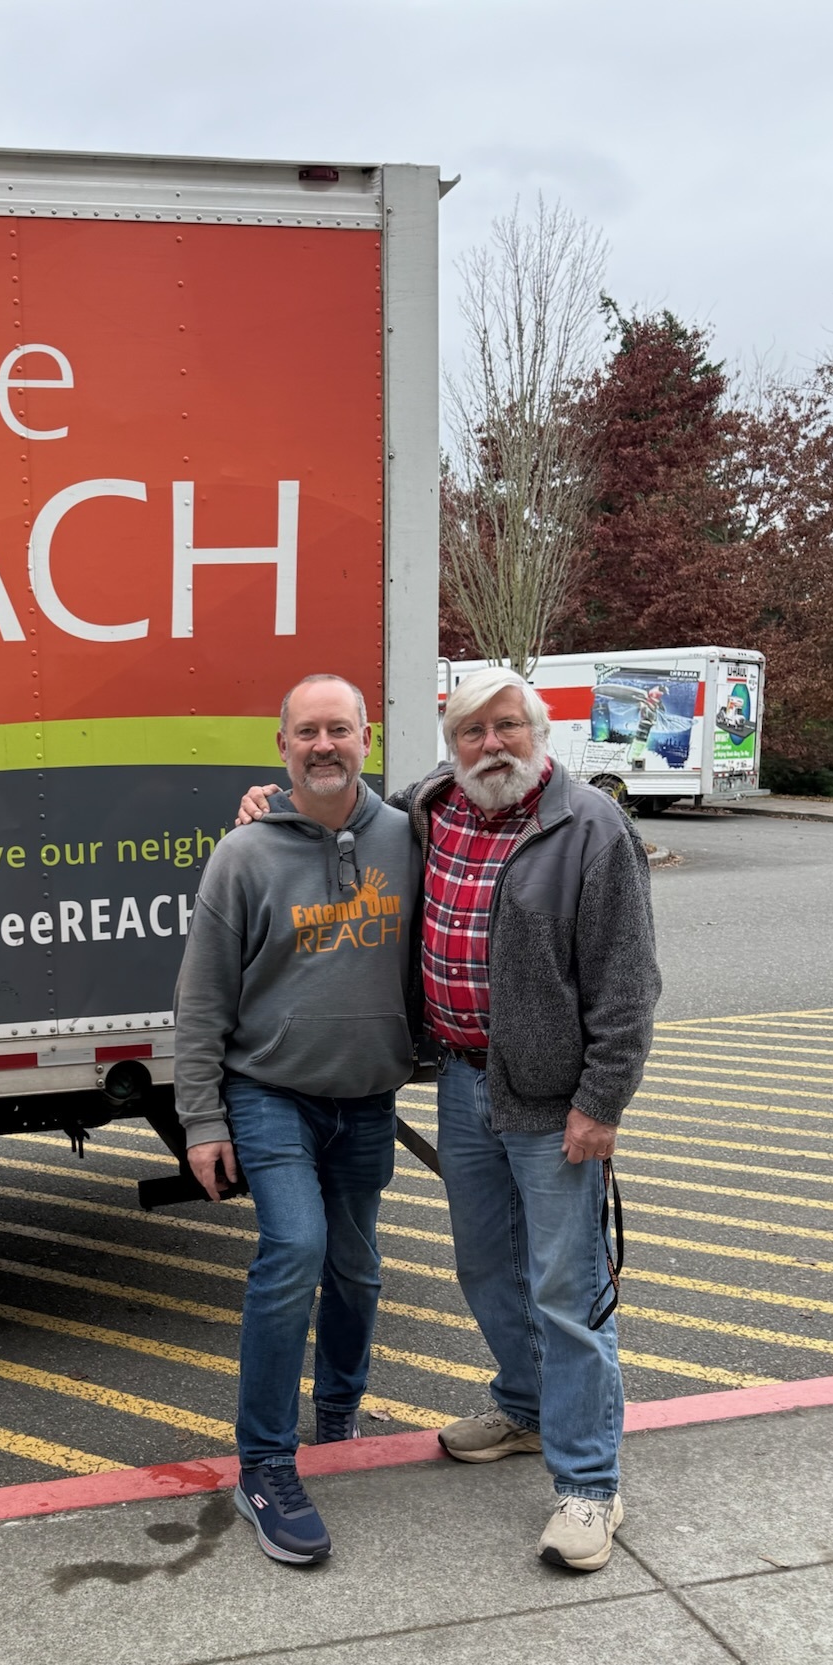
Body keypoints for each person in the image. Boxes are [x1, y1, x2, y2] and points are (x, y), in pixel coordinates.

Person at [238, 664, 660, 1572]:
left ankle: (589, 1485)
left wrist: (601, 1103)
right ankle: (525, 1407)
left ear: (540, 732)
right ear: (452, 746)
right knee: (486, 1267)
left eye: (508, 726)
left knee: (568, 1289)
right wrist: (271, 804)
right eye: (473, 731)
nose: (492, 745)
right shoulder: (433, 807)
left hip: (554, 1101)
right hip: (465, 1083)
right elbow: (337, 807)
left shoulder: (590, 828)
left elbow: (628, 985)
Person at [175, 674, 422, 1565]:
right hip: (270, 1092)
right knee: (296, 1251)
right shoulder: (243, 854)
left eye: (340, 730)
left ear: (368, 740)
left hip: (368, 1098)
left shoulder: (412, 836)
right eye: (306, 732)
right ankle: (266, 1466)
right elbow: (202, 997)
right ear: (281, 747)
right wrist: (202, 1120)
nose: (324, 745)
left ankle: (339, 1412)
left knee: (356, 1268)